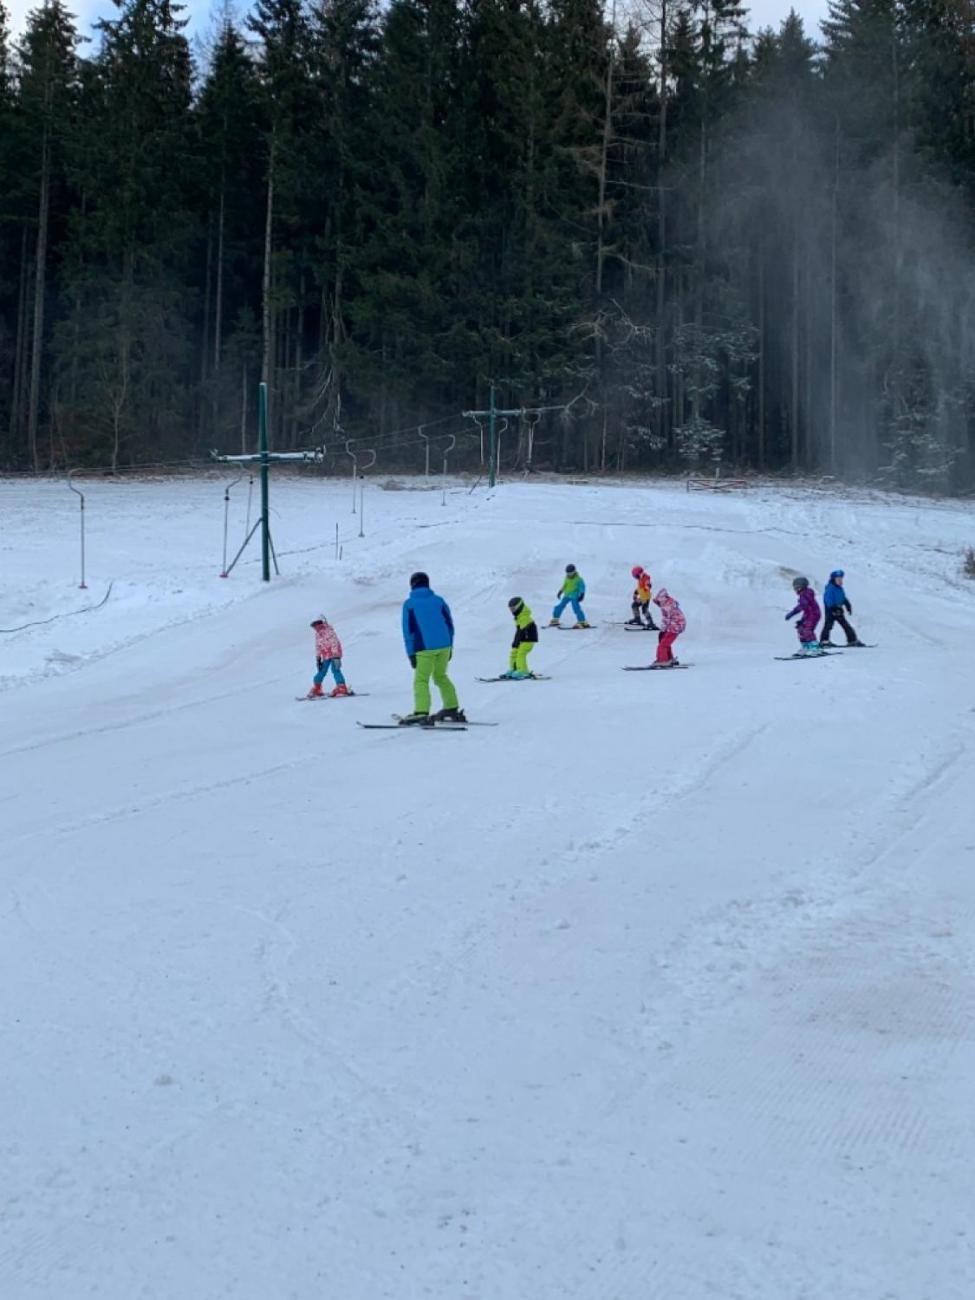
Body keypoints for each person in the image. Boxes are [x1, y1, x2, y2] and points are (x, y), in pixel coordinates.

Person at [400, 571, 465, 724]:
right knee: (440, 676)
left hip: (424, 648)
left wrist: (411, 654)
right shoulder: (439, 601)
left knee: (421, 680)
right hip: (444, 645)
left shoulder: (409, 604)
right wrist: (451, 647)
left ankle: (421, 712)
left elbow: (408, 631)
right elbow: (450, 625)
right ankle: (451, 706)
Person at [307, 616, 350, 697]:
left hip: (335, 655)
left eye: (316, 625)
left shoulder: (329, 631)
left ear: (320, 623)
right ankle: (317, 688)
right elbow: (318, 646)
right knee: (321, 671)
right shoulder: (317, 634)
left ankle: (341, 687)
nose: (315, 627)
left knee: (335, 670)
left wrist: (336, 656)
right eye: (313, 626)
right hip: (326, 656)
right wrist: (318, 658)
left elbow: (334, 643)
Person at [820, 569, 864, 647]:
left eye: (841, 579)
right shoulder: (830, 588)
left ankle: (852, 640)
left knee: (845, 625)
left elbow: (842, 597)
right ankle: (824, 641)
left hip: (839, 610)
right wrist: (833, 608)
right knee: (828, 625)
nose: (840, 581)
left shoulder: (839, 588)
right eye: (838, 579)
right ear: (833, 580)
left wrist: (847, 605)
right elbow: (828, 599)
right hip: (831, 610)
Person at [500, 597, 538, 678]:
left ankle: (523, 671)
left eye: (513, 609)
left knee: (521, 653)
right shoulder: (519, 617)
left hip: (528, 640)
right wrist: (515, 643)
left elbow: (522, 631)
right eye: (510, 609)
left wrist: (517, 642)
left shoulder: (525, 617)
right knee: (514, 652)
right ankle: (514, 669)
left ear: (519, 606)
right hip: (522, 640)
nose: (512, 611)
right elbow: (518, 631)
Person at [785, 576, 823, 656]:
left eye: (796, 586)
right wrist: (802, 620)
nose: (794, 589)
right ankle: (806, 647)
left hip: (814, 614)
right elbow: (805, 609)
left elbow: (802, 605)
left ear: (801, 586)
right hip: (808, 614)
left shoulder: (805, 594)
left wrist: (792, 613)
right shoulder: (803, 594)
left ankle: (815, 648)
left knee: (807, 630)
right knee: (800, 628)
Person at [651, 588, 686, 666]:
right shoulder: (669, 604)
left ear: (662, 599)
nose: (658, 604)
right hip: (677, 625)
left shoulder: (667, 606)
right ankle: (669, 658)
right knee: (665, 643)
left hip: (675, 626)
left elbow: (666, 619)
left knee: (662, 645)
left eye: (658, 602)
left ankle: (663, 661)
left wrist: (662, 630)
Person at [549, 564, 589, 628]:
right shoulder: (567, 578)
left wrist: (582, 595)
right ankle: (555, 619)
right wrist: (560, 591)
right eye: (568, 573)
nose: (569, 574)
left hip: (574, 596)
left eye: (571, 573)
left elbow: (582, 587)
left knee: (576, 608)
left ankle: (582, 621)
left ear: (574, 572)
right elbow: (565, 585)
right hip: (567, 595)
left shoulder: (579, 579)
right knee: (559, 606)